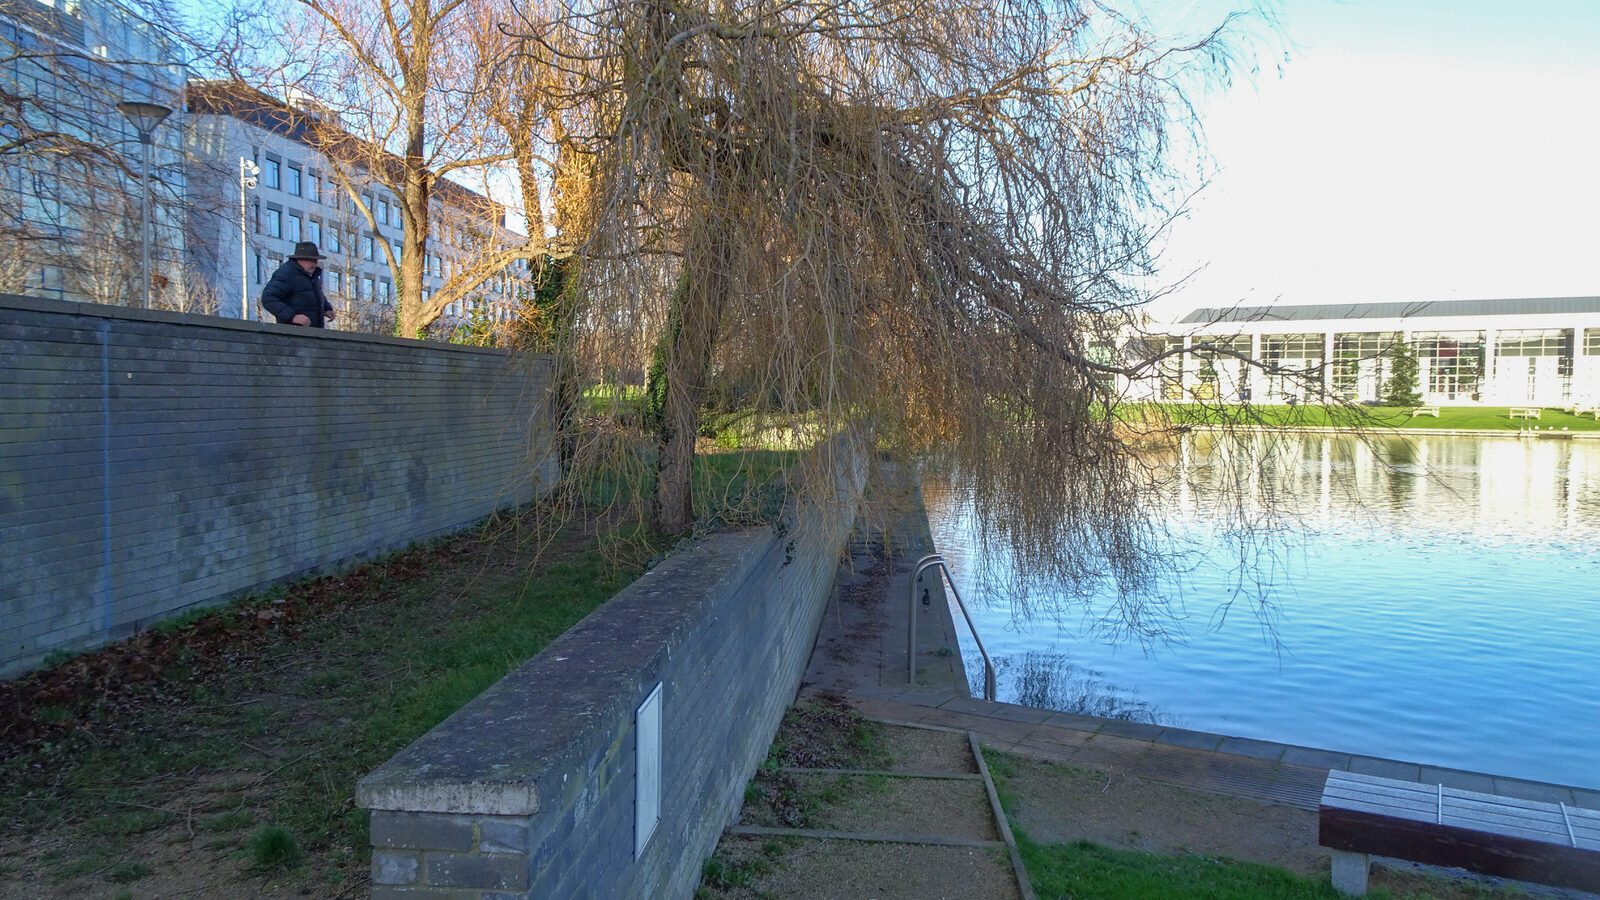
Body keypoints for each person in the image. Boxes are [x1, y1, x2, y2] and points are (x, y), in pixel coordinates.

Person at [261, 241, 337, 328]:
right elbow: (268, 298)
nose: (315, 264)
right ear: (299, 259)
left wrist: (327, 308)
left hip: (313, 332)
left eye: (316, 261)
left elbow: (315, 294)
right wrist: (292, 316)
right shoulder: (286, 274)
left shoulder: (311, 275)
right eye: (311, 260)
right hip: (292, 333)